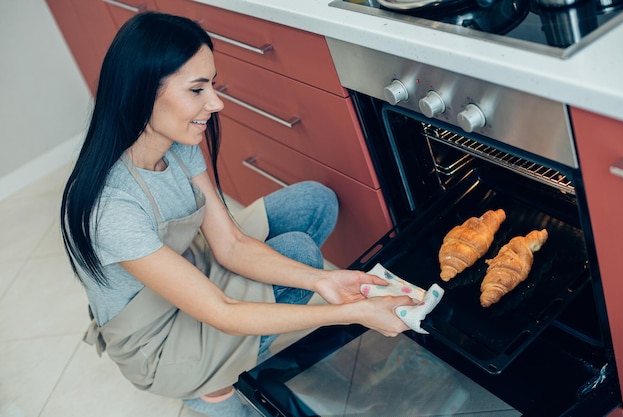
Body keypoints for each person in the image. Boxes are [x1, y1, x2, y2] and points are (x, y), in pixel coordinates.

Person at [60, 11, 415, 417]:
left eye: (211, 83)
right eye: (196, 89)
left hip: (192, 265)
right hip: (157, 338)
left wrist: (326, 281)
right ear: (141, 93)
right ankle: (208, 382)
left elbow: (229, 244)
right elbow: (221, 313)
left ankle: (250, 334)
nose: (216, 102)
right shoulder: (112, 208)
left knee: (314, 203)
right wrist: (350, 312)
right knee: (297, 253)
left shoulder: (175, 143)